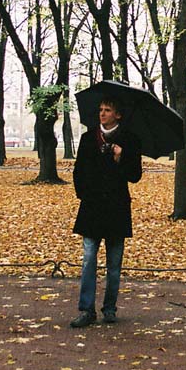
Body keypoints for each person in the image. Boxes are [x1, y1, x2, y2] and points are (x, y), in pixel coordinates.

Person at [70, 96, 142, 327]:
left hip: (116, 208)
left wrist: (121, 157)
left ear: (118, 115)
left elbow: (135, 176)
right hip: (92, 208)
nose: (102, 113)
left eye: (108, 110)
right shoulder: (88, 138)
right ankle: (86, 310)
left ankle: (109, 308)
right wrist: (84, 194)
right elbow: (78, 171)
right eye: (101, 109)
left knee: (114, 264)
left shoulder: (130, 140)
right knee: (88, 260)